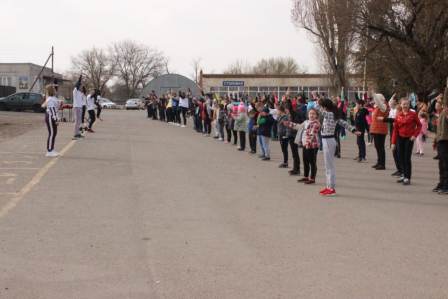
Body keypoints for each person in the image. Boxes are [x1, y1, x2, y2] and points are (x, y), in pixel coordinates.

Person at [317, 98, 360, 196]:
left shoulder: (330, 114)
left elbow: (318, 109)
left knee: (329, 166)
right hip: (326, 140)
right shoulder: (333, 114)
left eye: (323, 106)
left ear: (325, 107)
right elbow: (344, 123)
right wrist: (353, 130)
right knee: (328, 166)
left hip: (328, 140)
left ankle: (331, 188)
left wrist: (317, 101)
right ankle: (328, 186)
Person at [392, 98, 422, 186]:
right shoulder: (398, 115)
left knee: (406, 158)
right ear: (400, 105)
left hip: (409, 139)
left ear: (409, 105)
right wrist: (393, 143)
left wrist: (414, 135)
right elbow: (395, 130)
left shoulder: (413, 114)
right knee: (400, 157)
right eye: (403, 104)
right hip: (400, 138)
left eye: (407, 104)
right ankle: (403, 174)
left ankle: (407, 177)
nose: (405, 106)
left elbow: (419, 126)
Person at [287, 108, 321, 184]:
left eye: (313, 114)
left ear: (316, 115)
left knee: (312, 162)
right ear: (308, 115)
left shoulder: (316, 123)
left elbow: (313, 134)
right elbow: (299, 126)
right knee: (305, 161)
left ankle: (312, 178)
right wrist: (290, 124)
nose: (311, 115)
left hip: (312, 145)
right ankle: (306, 176)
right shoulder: (306, 122)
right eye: (310, 113)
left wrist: (308, 143)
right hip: (305, 144)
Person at [433, 86, 448, 194]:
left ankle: (446, 185)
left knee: (445, 164)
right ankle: (442, 183)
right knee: (441, 164)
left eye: (439, 100)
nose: (437, 102)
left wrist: (447, 88)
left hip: (446, 140)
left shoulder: (446, 111)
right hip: (440, 140)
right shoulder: (441, 112)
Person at [370, 94, 390, 170]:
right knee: (377, 147)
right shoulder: (377, 107)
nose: (375, 100)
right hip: (376, 129)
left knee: (380, 147)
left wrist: (374, 94)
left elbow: (379, 102)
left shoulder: (383, 106)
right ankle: (379, 162)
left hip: (380, 130)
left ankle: (382, 164)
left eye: (376, 99)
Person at [42, 85, 60, 157]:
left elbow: (55, 109)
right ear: (52, 90)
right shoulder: (50, 99)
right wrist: (56, 119)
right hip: (50, 116)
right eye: (54, 89)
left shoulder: (52, 98)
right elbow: (52, 111)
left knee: (54, 133)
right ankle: (49, 151)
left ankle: (52, 149)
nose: (55, 90)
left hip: (51, 116)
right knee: (52, 133)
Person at [72, 75, 84, 140]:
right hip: (76, 107)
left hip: (80, 107)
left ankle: (78, 133)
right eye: (80, 86)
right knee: (77, 121)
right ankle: (75, 134)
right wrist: (80, 78)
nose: (81, 87)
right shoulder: (75, 91)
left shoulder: (80, 92)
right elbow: (76, 85)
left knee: (79, 121)